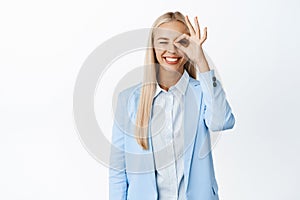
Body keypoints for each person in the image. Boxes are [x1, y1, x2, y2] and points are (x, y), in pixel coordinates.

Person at [109, 11, 235, 200]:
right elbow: (118, 171)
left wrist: (201, 60)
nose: (172, 50)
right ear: (153, 47)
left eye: (181, 42)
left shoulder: (202, 93)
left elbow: (221, 122)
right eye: (163, 42)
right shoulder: (128, 100)